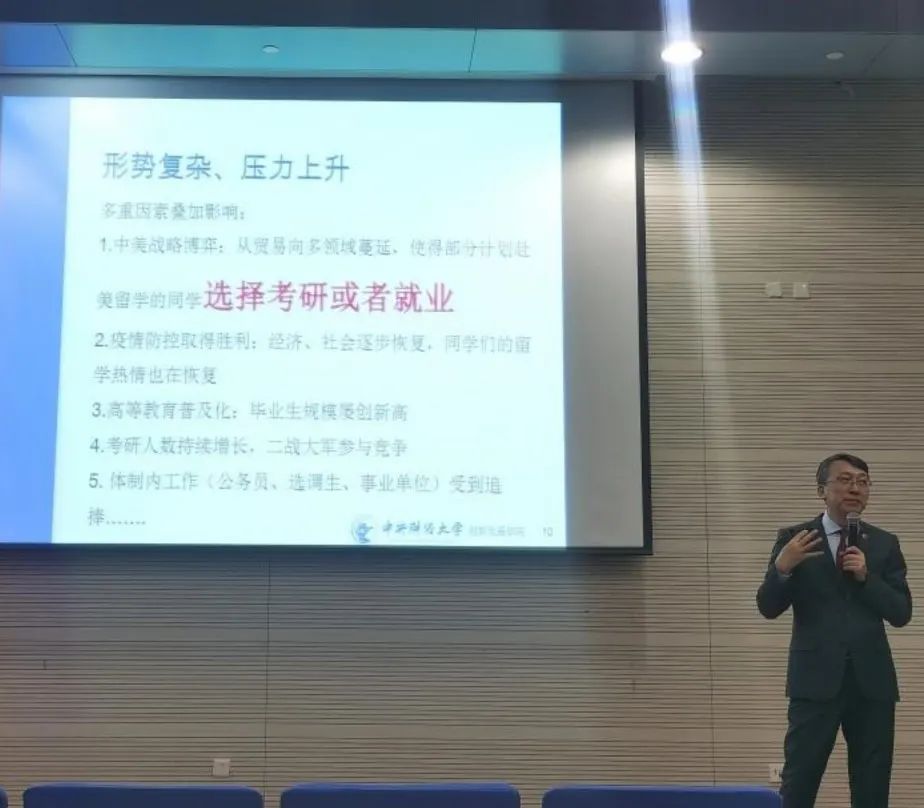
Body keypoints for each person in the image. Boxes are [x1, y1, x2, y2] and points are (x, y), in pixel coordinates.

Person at [757, 453, 912, 808]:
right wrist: (782, 568)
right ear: (821, 490)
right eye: (845, 480)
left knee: (872, 784)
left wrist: (866, 578)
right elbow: (768, 607)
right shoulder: (796, 539)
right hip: (814, 680)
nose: (855, 488)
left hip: (872, 682)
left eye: (863, 481)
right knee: (799, 779)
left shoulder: (884, 543)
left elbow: (901, 612)